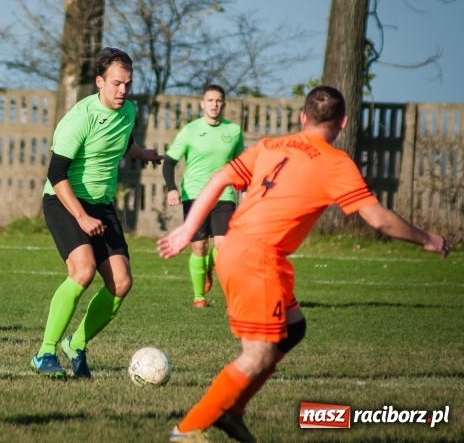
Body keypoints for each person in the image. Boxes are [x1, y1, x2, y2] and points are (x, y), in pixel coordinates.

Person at [158, 86, 450, 443]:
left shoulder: (270, 146)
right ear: (342, 123)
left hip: (244, 250)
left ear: (302, 117)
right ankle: (187, 430)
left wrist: (188, 228)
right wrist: (427, 239)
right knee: (257, 354)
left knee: (293, 328)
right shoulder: (335, 162)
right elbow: (379, 220)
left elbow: (220, 177)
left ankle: (232, 412)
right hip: (256, 258)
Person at [32, 47, 163, 379]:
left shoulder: (128, 111)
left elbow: (123, 139)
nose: (123, 91)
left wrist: (142, 153)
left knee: (121, 283)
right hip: (65, 200)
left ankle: (76, 344)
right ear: (100, 81)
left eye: (128, 84)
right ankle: (45, 353)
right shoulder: (80, 117)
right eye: (117, 84)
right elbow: (56, 173)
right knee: (83, 271)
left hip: (101, 205)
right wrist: (81, 216)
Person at [162, 85, 243, 308]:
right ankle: (199, 297)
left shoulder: (234, 131)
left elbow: (241, 165)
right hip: (194, 194)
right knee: (198, 247)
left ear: (224, 104)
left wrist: (246, 191)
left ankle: (213, 268)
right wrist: (172, 188)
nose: (214, 104)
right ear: (202, 104)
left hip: (224, 194)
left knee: (224, 246)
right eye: (210, 100)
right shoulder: (190, 130)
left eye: (218, 100)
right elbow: (169, 161)